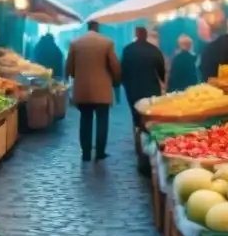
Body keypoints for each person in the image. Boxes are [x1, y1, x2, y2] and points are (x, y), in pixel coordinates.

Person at [65, 21, 121, 162]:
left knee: (85, 120)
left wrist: (76, 75)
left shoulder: (76, 43)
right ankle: (100, 151)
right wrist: (116, 80)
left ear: (87, 27)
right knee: (102, 120)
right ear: (98, 27)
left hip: (83, 89)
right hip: (102, 90)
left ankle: (86, 153)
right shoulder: (107, 43)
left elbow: (69, 67)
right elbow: (115, 66)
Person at [120, 27, 167, 135]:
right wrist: (163, 81)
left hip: (132, 87)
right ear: (146, 35)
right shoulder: (154, 50)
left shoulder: (128, 49)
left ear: (136, 35)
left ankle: (138, 135)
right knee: (149, 113)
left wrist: (123, 82)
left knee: (136, 113)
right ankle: (149, 134)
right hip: (151, 87)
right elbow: (161, 68)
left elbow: (123, 68)